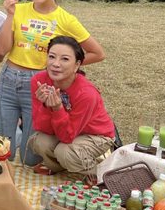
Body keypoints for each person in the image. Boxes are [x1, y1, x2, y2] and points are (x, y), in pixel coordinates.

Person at [0, 0, 105, 167]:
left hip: (40, 84)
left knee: (30, 159)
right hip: (8, 79)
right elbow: (1, 50)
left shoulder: (66, 20)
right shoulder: (18, 10)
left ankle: (25, 138)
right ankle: (13, 139)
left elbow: (97, 53)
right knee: (3, 151)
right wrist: (9, 15)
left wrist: (59, 67)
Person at [29, 36, 115, 182]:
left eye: (64, 59)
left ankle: (97, 174)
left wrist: (57, 109)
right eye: (52, 57)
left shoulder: (86, 93)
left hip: (96, 134)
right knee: (39, 141)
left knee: (65, 152)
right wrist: (45, 106)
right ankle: (60, 167)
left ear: (77, 65)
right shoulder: (39, 81)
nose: (55, 64)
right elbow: (41, 127)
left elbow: (66, 137)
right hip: (68, 131)